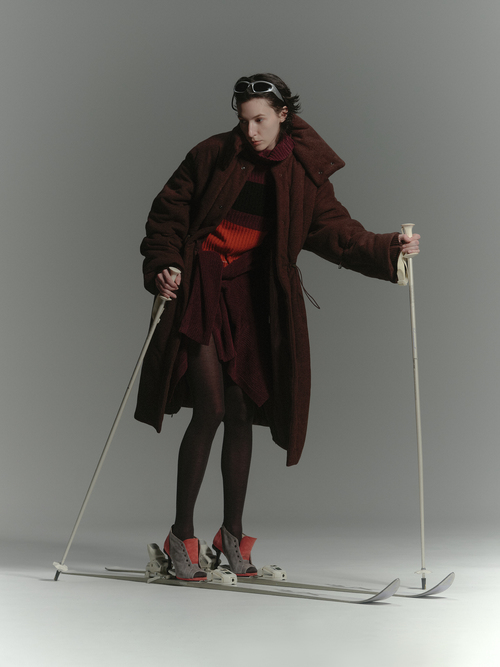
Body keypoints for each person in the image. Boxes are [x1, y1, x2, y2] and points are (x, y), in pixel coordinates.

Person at [135, 73, 420, 581]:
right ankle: (181, 536)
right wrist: (164, 262)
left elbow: (336, 231)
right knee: (211, 407)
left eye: (260, 120)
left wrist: (388, 249)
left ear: (284, 115)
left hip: (250, 294)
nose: (250, 131)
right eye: (243, 121)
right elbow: (168, 212)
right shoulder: (211, 154)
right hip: (202, 284)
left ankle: (230, 537)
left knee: (242, 409)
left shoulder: (302, 172)